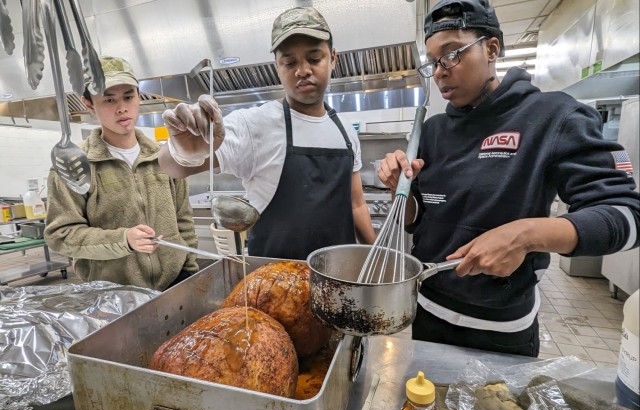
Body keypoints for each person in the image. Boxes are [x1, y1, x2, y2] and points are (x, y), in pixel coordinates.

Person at [377, 0, 640, 357]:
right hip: (428, 315)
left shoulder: (553, 117)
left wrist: (526, 236)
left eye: (452, 54)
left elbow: (626, 216)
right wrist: (401, 192)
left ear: (492, 48)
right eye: (433, 61)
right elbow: (419, 220)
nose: (440, 71)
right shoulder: (433, 131)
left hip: (500, 331)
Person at [158, 6, 375, 260]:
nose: (302, 70)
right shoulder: (254, 125)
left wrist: (378, 260)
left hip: (340, 282)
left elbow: (356, 204)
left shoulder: (346, 132)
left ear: (333, 58)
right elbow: (171, 167)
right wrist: (185, 152)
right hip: (274, 287)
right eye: (289, 62)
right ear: (277, 66)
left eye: (314, 59)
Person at [45, 56, 198, 291]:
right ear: (88, 104)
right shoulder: (74, 165)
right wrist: (123, 239)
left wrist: (189, 270)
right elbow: (61, 234)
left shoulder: (165, 156)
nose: (122, 108)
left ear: (139, 96)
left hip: (174, 282)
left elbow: (183, 219)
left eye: (129, 96)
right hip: (113, 294)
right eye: (109, 100)